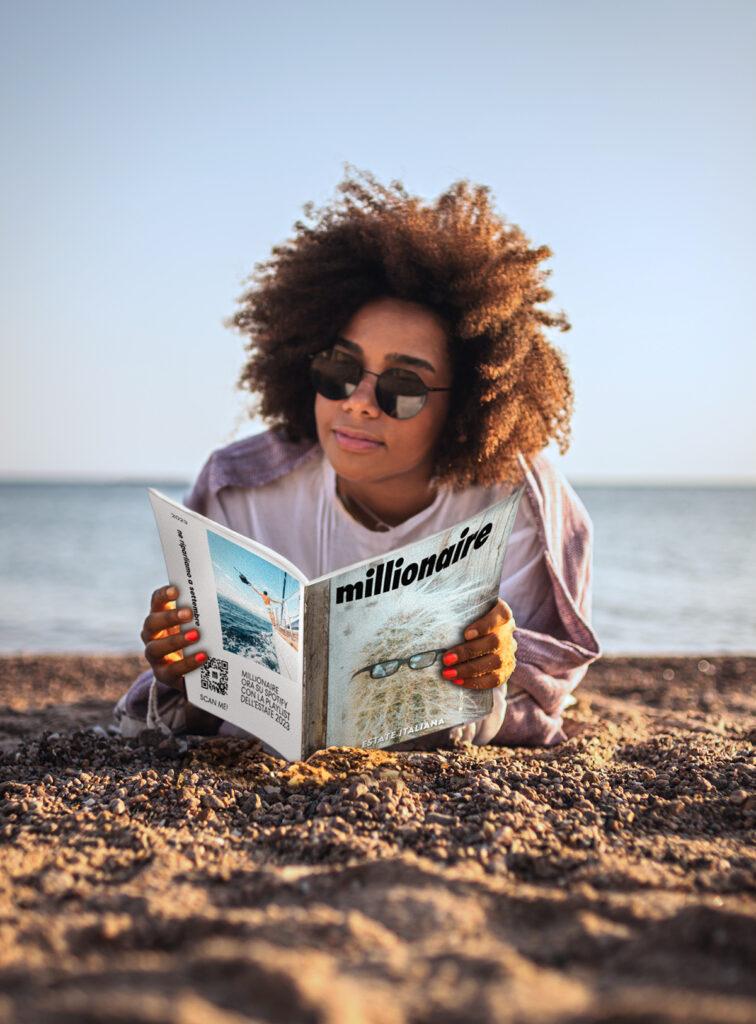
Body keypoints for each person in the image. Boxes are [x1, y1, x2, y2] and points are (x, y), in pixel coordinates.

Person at [114, 167, 600, 749]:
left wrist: (496, 667)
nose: (360, 402)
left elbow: (539, 682)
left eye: (403, 386)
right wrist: (180, 670)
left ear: (468, 403)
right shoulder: (239, 493)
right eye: (340, 370)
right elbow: (205, 677)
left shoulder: (516, 506)